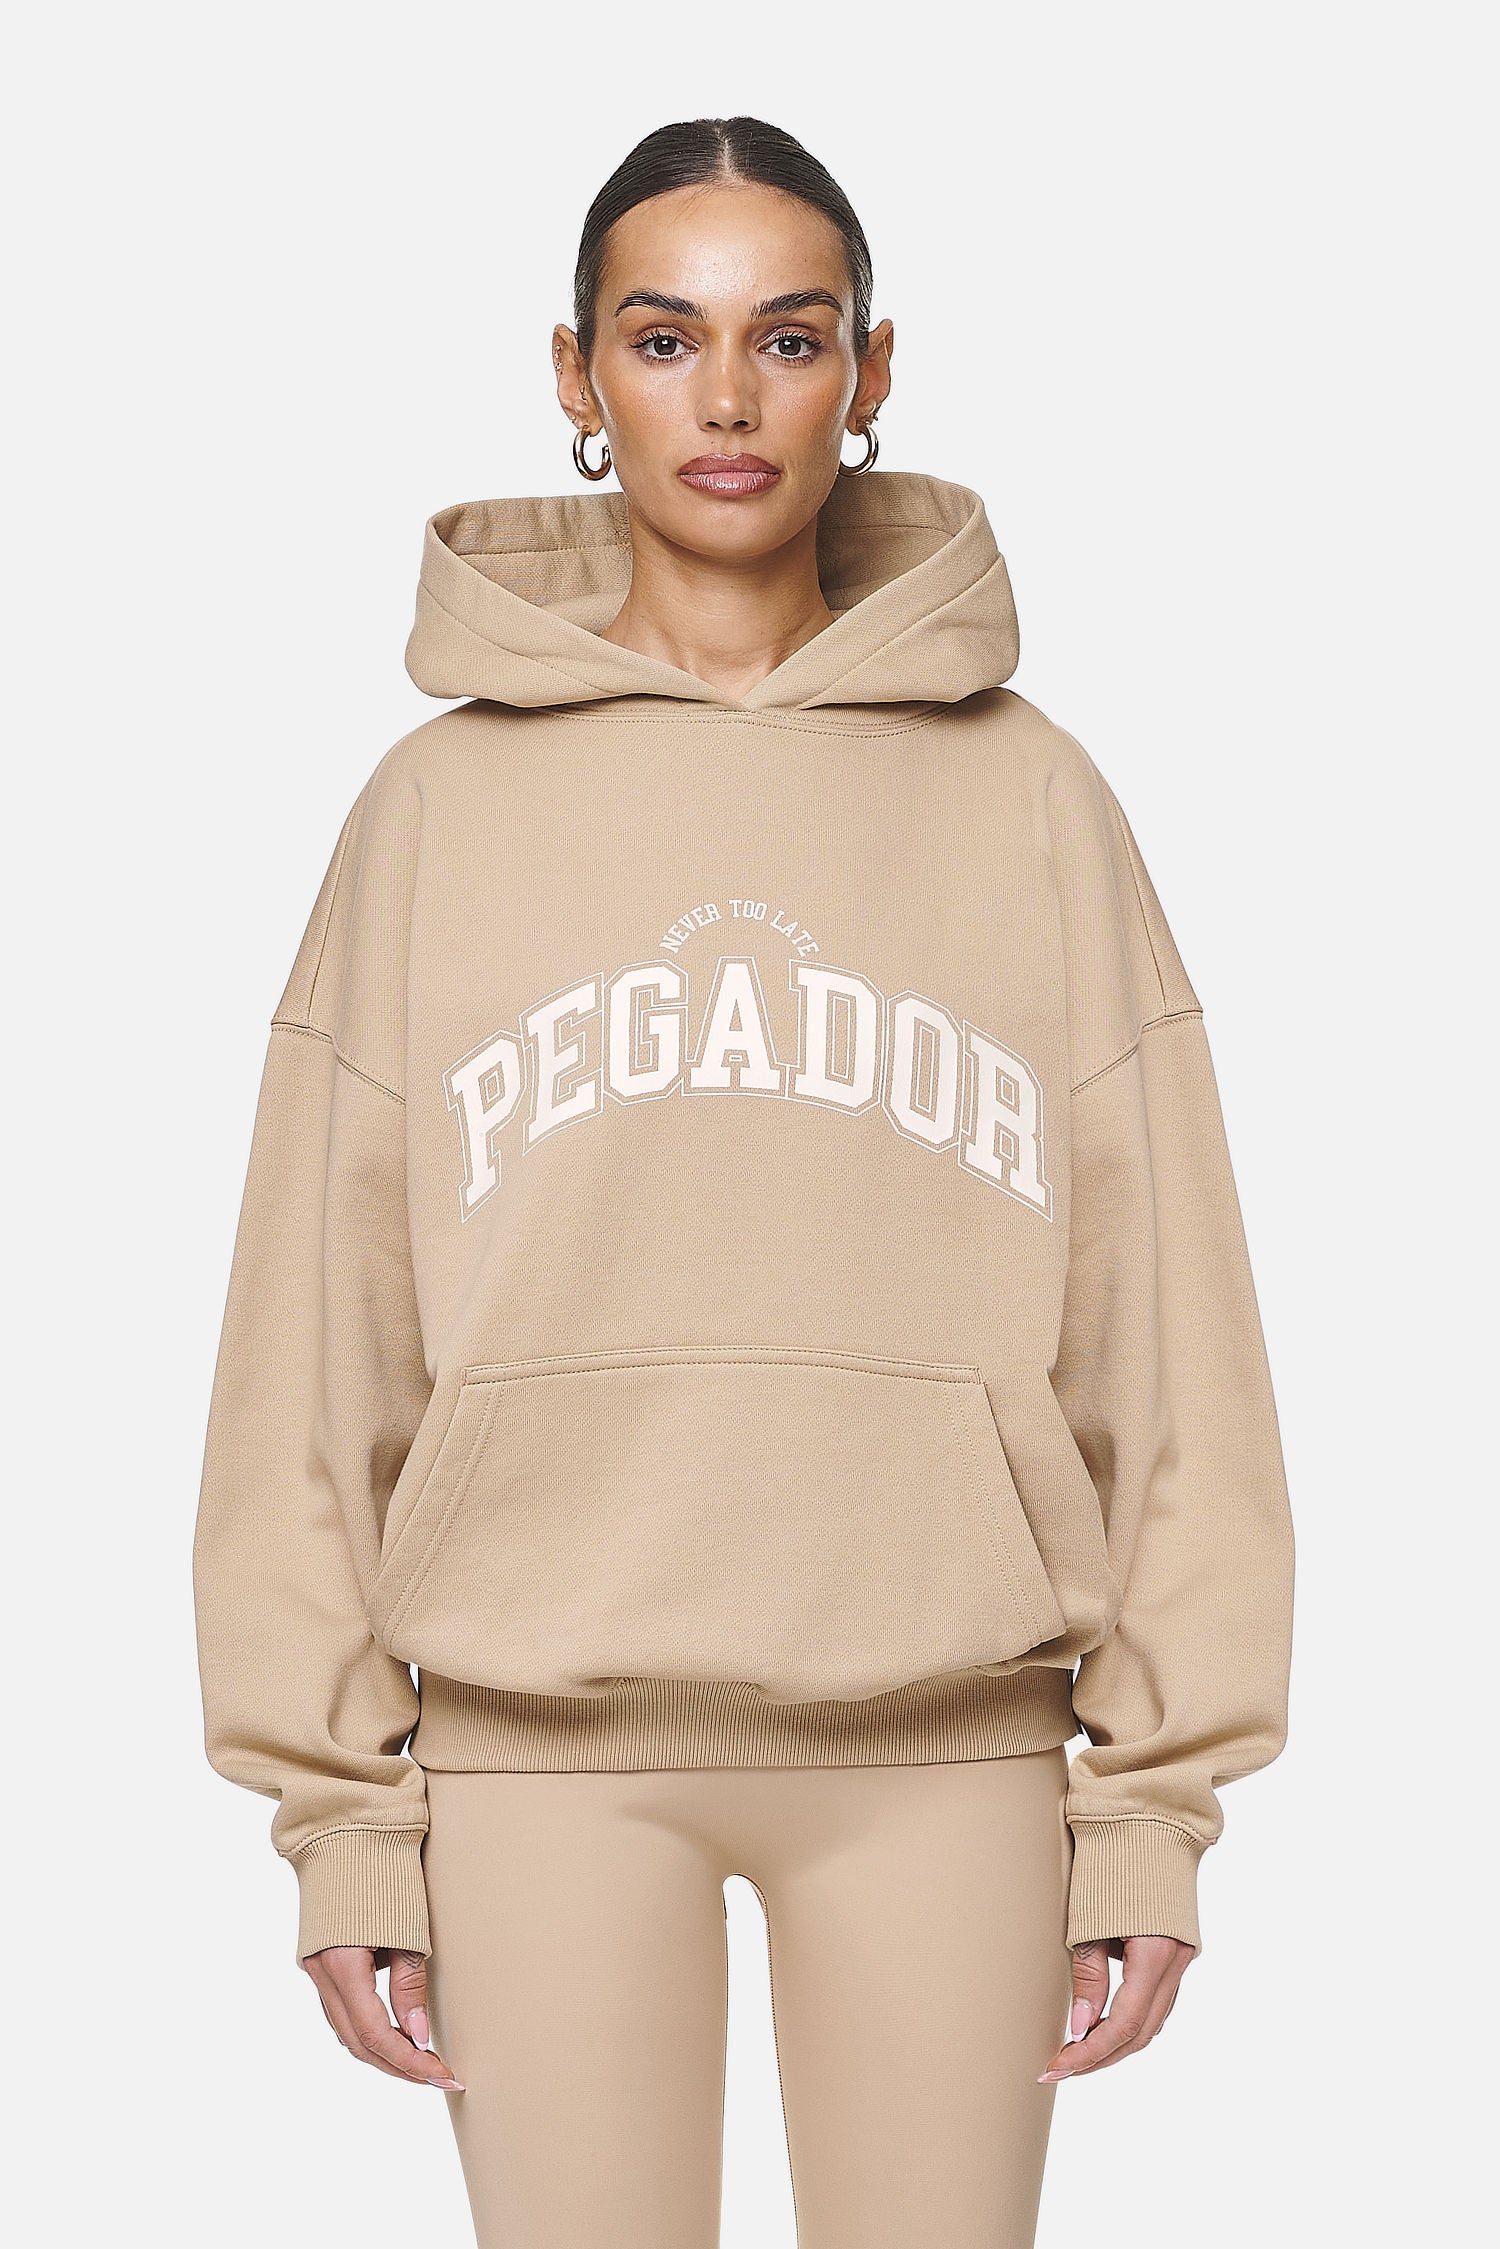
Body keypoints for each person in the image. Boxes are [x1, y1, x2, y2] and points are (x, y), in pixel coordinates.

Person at [192, 114, 1295, 2249]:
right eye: (662, 336)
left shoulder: (1034, 797)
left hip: (950, 1745)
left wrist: (1155, 1804)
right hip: (532, 1749)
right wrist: (339, 1817)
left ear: (868, 374)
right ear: (575, 374)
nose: (725, 397)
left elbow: (1173, 1324)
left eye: (787, 338)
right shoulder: (431, 812)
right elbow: (309, 1348)